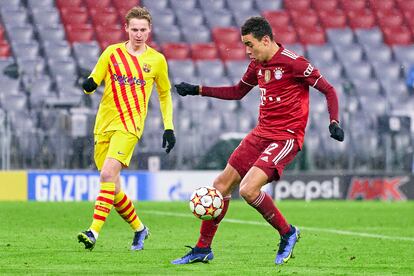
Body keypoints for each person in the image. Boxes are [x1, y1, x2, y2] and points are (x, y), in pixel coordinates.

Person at [172, 16, 344, 265]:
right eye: (244, 45)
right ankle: (202, 249)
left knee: (248, 190)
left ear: (266, 40)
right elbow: (237, 92)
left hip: (286, 137)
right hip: (260, 134)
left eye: (250, 44)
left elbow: (329, 89)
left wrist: (334, 121)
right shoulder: (257, 66)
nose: (247, 51)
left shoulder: (295, 64)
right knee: (221, 184)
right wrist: (198, 89)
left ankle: (288, 233)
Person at [77, 6, 176, 251]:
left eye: (143, 29)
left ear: (149, 30)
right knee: (114, 187)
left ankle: (93, 232)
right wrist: (87, 85)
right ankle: (140, 229)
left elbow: (164, 95)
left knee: (106, 175)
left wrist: (169, 127)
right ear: (126, 29)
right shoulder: (111, 53)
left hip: (130, 127)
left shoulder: (156, 60)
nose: (139, 34)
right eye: (135, 29)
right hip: (104, 125)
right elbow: (93, 80)